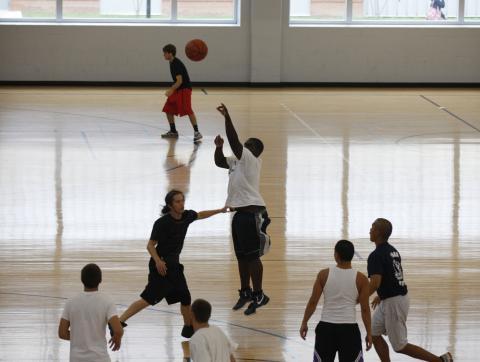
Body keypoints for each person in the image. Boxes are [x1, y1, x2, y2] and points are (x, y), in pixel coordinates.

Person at [118, 190, 227, 338]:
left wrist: (220, 211)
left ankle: (188, 328)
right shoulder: (162, 223)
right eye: (177, 201)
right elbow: (150, 245)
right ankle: (119, 321)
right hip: (161, 266)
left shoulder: (187, 216)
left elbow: (200, 214)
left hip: (174, 266)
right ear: (170, 205)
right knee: (149, 299)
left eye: (182, 200)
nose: (181, 204)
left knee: (185, 297)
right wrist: (158, 261)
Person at [367, 218, 453, 362]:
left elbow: (375, 283)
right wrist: (381, 296)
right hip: (391, 298)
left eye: (372, 227)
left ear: (379, 232)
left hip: (394, 301)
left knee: (400, 346)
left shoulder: (376, 256)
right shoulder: (392, 251)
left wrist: (359, 299)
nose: (370, 230)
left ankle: (441, 361)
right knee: (373, 332)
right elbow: (394, 277)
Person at [214, 103, 271, 316]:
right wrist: (218, 148)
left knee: (253, 256)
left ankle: (259, 293)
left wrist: (227, 117)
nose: (243, 147)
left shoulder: (251, 159)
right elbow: (220, 162)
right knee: (241, 256)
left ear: (254, 150)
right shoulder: (237, 162)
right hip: (239, 213)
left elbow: (235, 142)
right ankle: (245, 291)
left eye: (248, 145)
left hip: (252, 213)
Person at [300, 240, 372, 362]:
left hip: (326, 329)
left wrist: (304, 322)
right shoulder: (362, 279)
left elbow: (313, 302)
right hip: (349, 330)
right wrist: (369, 333)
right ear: (352, 255)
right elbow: (365, 309)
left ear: (336, 255)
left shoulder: (323, 274)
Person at [59, 263, 123, 362]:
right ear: (100, 280)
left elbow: (62, 333)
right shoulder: (107, 301)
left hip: (76, 359)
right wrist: (117, 339)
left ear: (82, 280)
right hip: (100, 358)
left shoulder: (71, 302)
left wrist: (80, 338)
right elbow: (118, 330)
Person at [161, 43, 202, 142]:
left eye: (165, 53)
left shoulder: (176, 64)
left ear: (170, 53)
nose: (163, 55)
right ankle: (173, 131)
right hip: (179, 89)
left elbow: (180, 81)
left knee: (187, 110)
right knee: (168, 109)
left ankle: (197, 132)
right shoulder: (171, 62)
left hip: (184, 89)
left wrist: (171, 90)